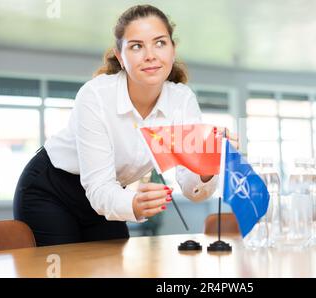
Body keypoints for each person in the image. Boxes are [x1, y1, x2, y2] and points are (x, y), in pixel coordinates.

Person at [13, 4, 238, 246]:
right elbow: (98, 185)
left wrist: (207, 165)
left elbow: (193, 189)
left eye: (160, 43)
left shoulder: (182, 100)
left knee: (113, 268)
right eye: (137, 46)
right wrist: (133, 204)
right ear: (120, 57)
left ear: (173, 51)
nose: (150, 54)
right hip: (52, 189)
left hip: (110, 193)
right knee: (66, 268)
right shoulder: (96, 95)